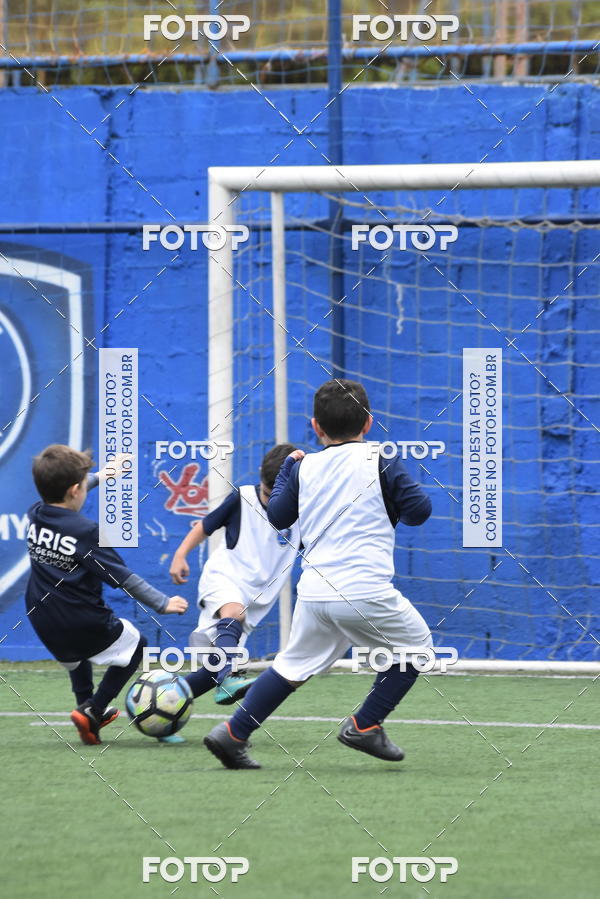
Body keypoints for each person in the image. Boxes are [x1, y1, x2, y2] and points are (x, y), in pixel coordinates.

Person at [203, 379, 433, 769]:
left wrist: (288, 474)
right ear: (369, 423)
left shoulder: (303, 465)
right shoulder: (381, 458)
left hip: (313, 593)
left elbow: (277, 517)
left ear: (315, 427)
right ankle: (365, 725)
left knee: (292, 666)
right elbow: (420, 512)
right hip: (364, 590)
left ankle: (233, 733)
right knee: (417, 650)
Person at [25, 444, 188, 746]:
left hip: (41, 617)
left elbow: (68, 486)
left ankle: (85, 713)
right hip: (81, 618)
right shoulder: (87, 531)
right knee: (136, 644)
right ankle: (95, 708)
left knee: (76, 658)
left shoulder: (35, 514)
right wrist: (162, 603)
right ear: (75, 490)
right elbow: (124, 578)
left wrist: (104, 474)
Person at [169, 443, 301, 706]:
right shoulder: (243, 498)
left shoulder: (303, 512)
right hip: (224, 577)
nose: (269, 499)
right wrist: (180, 555)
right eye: (266, 492)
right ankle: (229, 676)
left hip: (256, 598)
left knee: (210, 671)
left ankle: (158, 705)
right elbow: (206, 526)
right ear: (260, 472)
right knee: (233, 618)